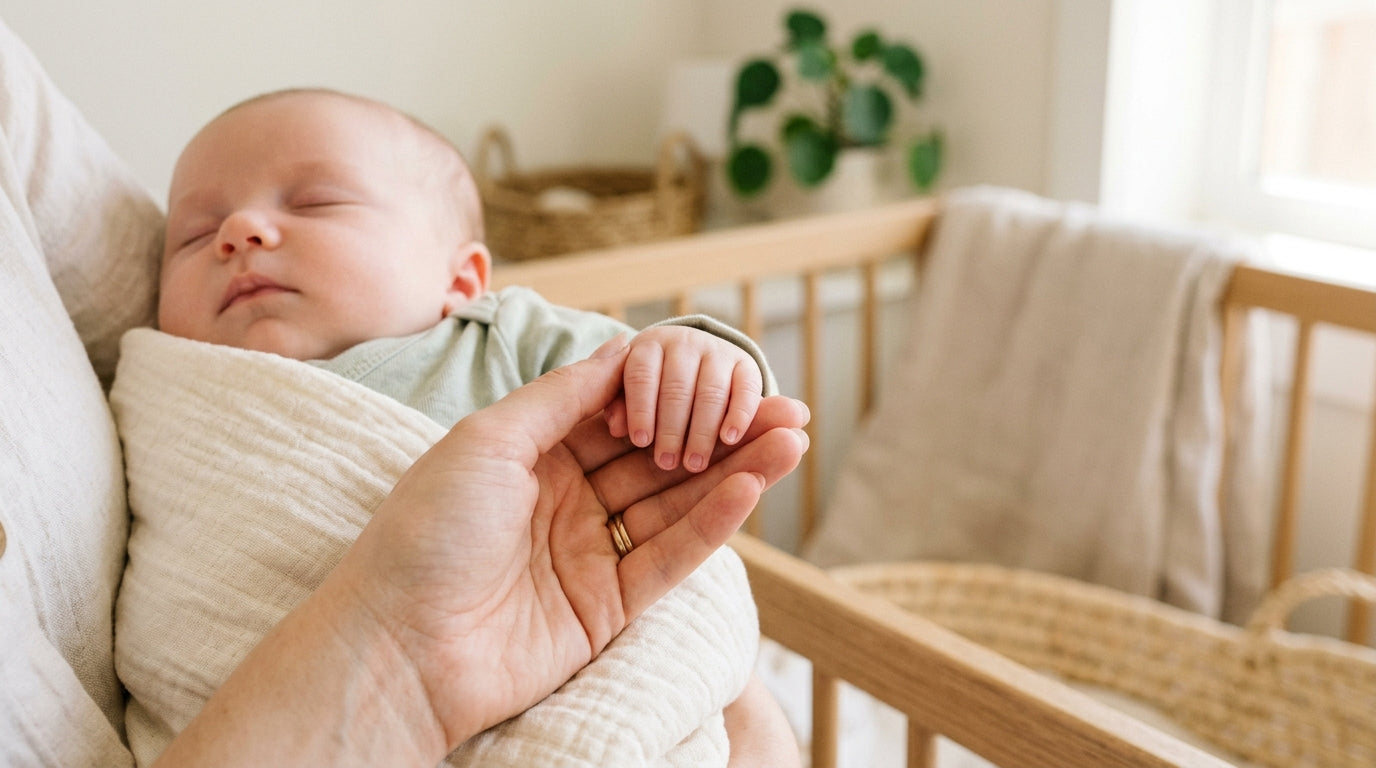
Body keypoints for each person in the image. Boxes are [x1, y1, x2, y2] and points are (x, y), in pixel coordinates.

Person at [0, 17, 806, 766]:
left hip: (551, 667)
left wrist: (699, 359)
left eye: (315, 202)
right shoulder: (165, 397)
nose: (240, 232)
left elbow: (647, 374)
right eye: (194, 234)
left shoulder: (497, 334)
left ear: (461, 279)